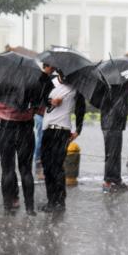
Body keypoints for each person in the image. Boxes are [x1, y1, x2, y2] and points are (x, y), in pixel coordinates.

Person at [40, 71, 85, 212]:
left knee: (57, 167)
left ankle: (60, 203)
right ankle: (51, 201)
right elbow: (39, 99)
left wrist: (78, 129)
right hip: (47, 129)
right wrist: (50, 102)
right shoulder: (49, 83)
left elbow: (80, 109)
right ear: (59, 71)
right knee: (47, 167)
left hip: (63, 130)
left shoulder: (76, 88)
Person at [0, 102, 38, 215]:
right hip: (26, 128)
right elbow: (39, 109)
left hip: (6, 128)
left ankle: (7, 207)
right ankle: (30, 208)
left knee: (7, 169)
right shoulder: (32, 87)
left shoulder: (3, 85)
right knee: (26, 170)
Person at [100, 82, 128, 193]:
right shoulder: (109, 88)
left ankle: (116, 180)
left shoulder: (120, 87)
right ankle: (107, 182)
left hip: (116, 124)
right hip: (111, 124)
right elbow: (109, 106)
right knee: (111, 154)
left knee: (115, 154)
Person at [34, 64, 56, 180]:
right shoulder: (39, 79)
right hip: (40, 114)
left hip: (49, 114)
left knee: (48, 140)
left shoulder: (52, 80)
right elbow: (38, 98)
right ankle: (38, 167)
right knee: (41, 140)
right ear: (45, 66)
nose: (53, 70)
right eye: (51, 68)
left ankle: (46, 165)